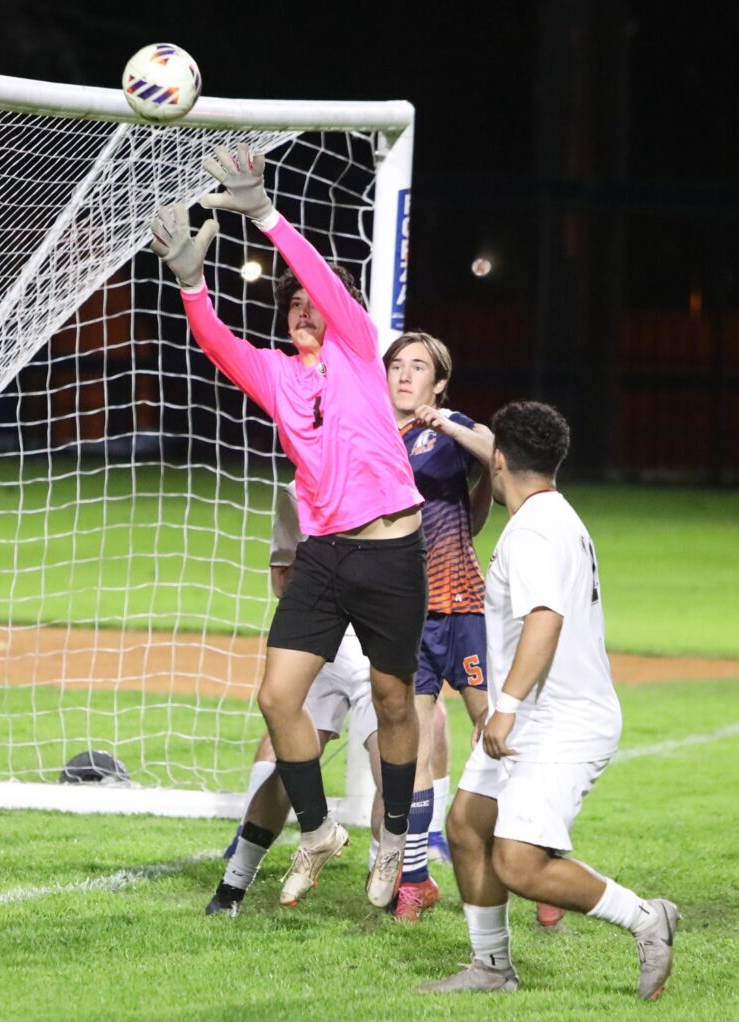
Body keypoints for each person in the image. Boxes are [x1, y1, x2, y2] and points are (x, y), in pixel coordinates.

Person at [151, 144, 426, 909]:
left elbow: (324, 283)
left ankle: (394, 839)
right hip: (325, 559)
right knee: (277, 698)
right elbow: (216, 344)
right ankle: (317, 831)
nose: (305, 309)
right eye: (294, 305)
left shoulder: (360, 354)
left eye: (312, 302)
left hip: (392, 551)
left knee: (395, 698)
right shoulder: (276, 374)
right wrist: (192, 284)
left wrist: (267, 215)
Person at [418, 401, 678, 1000]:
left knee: (519, 863)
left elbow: (545, 620)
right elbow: (499, 450)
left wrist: (503, 705)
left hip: (560, 719)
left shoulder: (532, 530)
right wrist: (445, 423)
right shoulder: (552, 507)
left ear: (502, 460)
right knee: (466, 826)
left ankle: (647, 918)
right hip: (538, 710)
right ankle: (491, 969)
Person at [206, 482, 380, 916]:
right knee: (292, 759)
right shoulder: (296, 489)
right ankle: (234, 885)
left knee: (395, 763)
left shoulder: (397, 474)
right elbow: (282, 577)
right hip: (328, 641)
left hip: (378, 640)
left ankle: (401, 876)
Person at [377, 332, 493, 921]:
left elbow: (492, 451)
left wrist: (446, 423)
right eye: (396, 365)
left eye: (417, 367)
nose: (404, 374)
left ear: (438, 382)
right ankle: (416, 879)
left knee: (495, 731)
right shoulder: (373, 432)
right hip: (406, 615)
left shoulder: (446, 427)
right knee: (413, 742)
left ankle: (537, 857)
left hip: (463, 605)